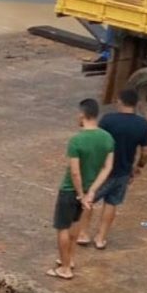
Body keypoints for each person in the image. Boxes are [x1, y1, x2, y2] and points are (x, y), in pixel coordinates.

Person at [49, 98, 115, 280]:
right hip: (88, 189)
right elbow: (107, 167)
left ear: (82, 115)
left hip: (70, 190)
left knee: (62, 228)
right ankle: (69, 259)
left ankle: (65, 268)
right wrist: (91, 191)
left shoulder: (76, 141)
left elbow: (75, 172)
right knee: (76, 225)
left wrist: (80, 194)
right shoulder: (107, 138)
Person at [78, 88, 147, 249]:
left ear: (119, 101)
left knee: (89, 199)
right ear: (136, 104)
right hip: (124, 171)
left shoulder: (108, 120)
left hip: (102, 171)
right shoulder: (143, 124)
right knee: (111, 203)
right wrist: (138, 166)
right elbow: (146, 152)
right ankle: (101, 238)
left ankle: (83, 234)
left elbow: (97, 141)